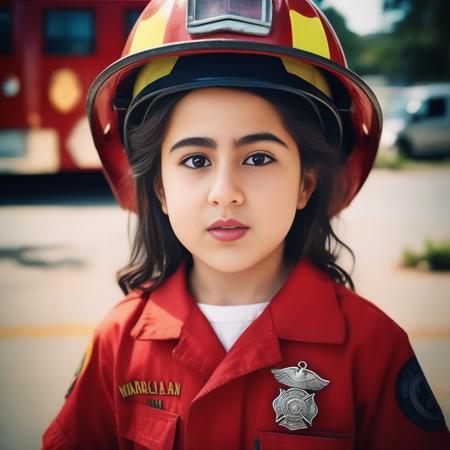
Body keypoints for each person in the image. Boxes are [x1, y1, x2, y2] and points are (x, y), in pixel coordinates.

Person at [42, 1, 450, 449]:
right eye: (195, 160)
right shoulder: (117, 344)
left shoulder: (373, 348)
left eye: (258, 158)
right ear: (160, 188)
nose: (225, 191)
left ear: (305, 185)